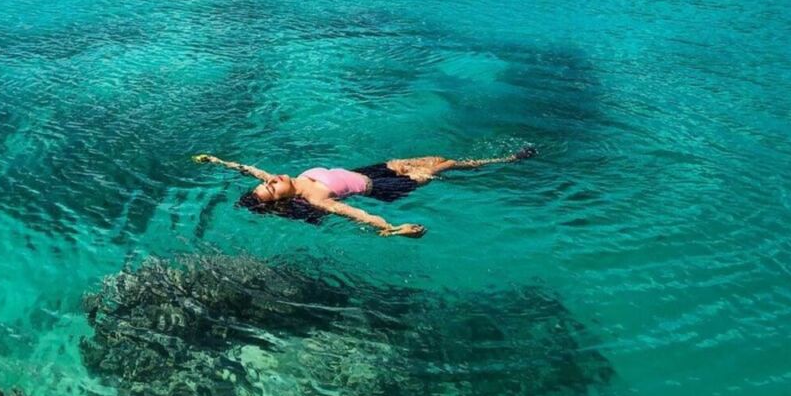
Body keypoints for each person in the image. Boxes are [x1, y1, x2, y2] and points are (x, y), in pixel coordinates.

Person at [193, 147, 537, 238]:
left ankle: (486, 162)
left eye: (268, 182)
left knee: (437, 158)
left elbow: (250, 169)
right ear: (282, 198)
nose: (269, 180)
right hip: (387, 189)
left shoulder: (291, 180)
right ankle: (505, 161)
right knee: (442, 166)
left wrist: (217, 161)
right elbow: (356, 213)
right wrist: (390, 227)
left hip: (370, 171)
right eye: (271, 187)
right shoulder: (315, 199)